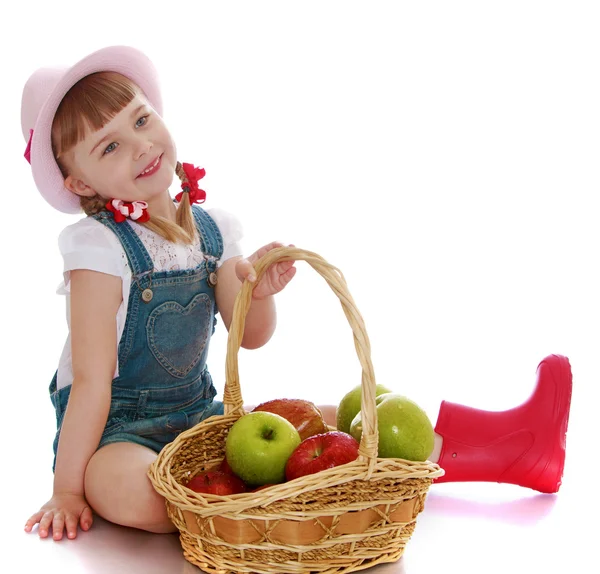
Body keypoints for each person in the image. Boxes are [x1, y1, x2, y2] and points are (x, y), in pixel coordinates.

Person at [21, 46, 572, 543]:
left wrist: (257, 291)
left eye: (142, 119)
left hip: (199, 417)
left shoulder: (212, 231)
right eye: (111, 145)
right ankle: (265, 505)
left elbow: (252, 337)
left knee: (351, 426)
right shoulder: (98, 249)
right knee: (131, 489)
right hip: (115, 434)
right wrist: (68, 489)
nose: (141, 146)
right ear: (81, 183)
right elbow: (92, 381)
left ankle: (511, 448)